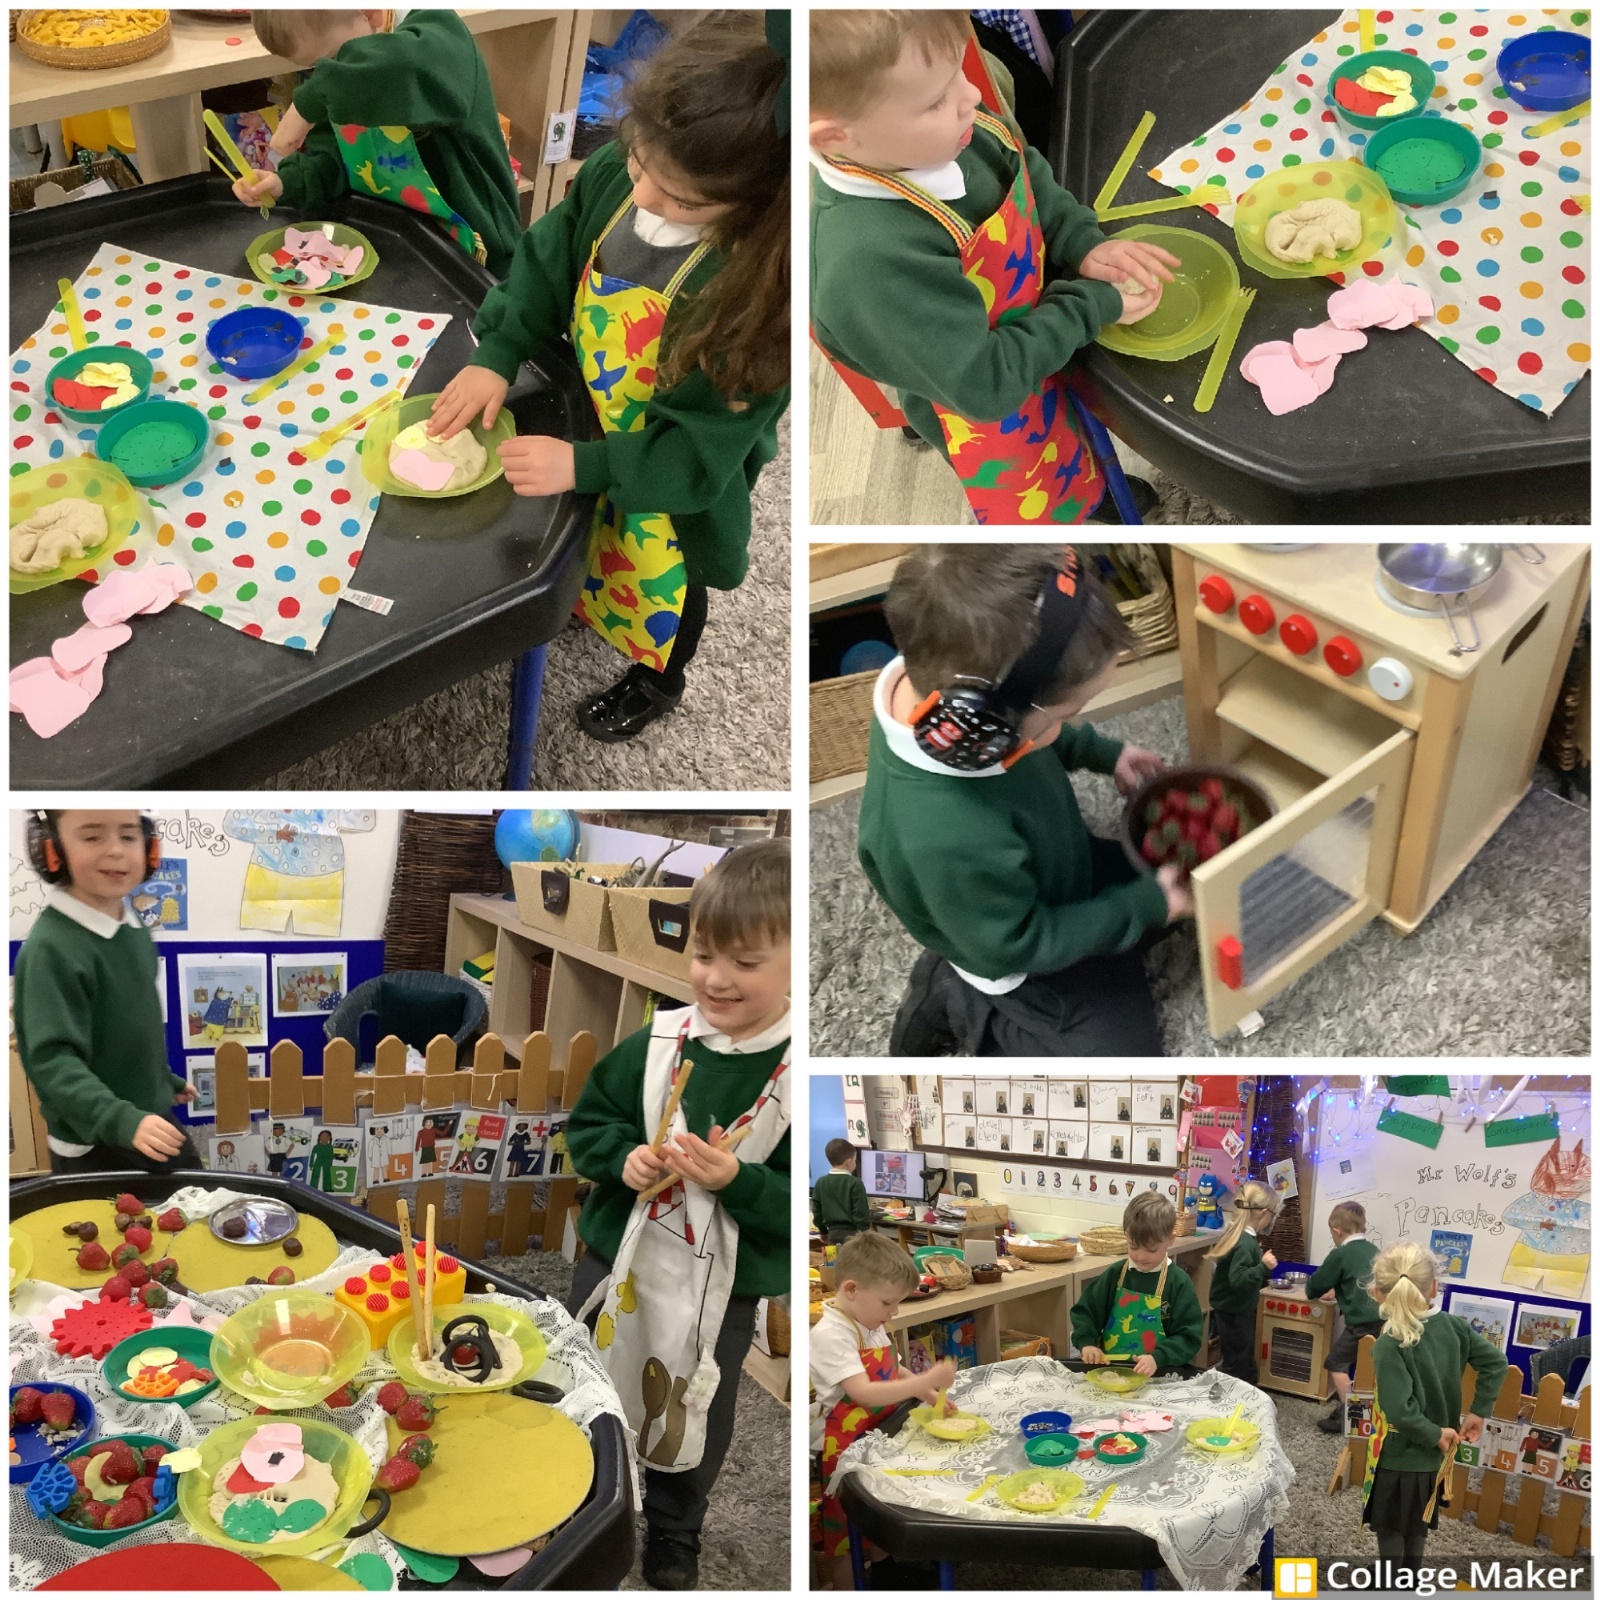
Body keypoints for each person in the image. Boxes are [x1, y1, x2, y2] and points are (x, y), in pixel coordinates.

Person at [427, 12, 790, 744]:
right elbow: (546, 259)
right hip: (597, 413)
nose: (646, 197)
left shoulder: (755, 305)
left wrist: (582, 465)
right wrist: (499, 351)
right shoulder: (615, 180)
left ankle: (661, 678)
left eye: (686, 200)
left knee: (671, 582)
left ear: (762, 207)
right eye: (638, 163)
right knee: (591, 539)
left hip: (677, 479)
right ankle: (590, 599)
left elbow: (695, 458)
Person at [810, 11, 1175, 525]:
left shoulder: (951, 130)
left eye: (960, 71)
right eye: (935, 101)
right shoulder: (868, 266)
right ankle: (1083, 506)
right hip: (992, 407)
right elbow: (985, 386)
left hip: (1038, 336)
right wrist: (1090, 305)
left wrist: (1079, 242)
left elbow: (1023, 169)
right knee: (1051, 496)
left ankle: (1091, 480)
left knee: (1079, 429)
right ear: (834, 137)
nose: (972, 96)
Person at [857, 545, 1187, 1058]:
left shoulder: (951, 687)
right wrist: (1143, 906)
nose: (1065, 726)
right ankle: (957, 993)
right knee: (1122, 1058)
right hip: (1012, 950)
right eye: (1064, 715)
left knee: (1186, 874)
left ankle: (984, 917)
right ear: (986, 726)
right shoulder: (947, 836)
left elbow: (1041, 733)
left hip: (1044, 867)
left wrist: (1103, 752)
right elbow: (1021, 942)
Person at [564, 840, 790, 1589]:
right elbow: (590, 1124)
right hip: (616, 1258)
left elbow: (796, 1207)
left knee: (694, 1413)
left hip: (719, 1292)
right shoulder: (657, 1043)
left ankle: (674, 1527)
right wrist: (622, 1158)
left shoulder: (799, 1070)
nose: (716, 978)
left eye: (745, 962)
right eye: (702, 955)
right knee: (590, 1383)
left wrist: (739, 1181)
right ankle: (587, 1501)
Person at [236, 11, 521, 275]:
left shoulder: (440, 37)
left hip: (478, 260)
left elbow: (404, 65)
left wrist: (309, 101)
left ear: (370, 13)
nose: (326, 74)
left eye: (335, 59)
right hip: (398, 249)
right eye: (315, 68)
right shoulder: (332, 79)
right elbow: (334, 160)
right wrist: (286, 182)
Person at [14, 811, 202, 1176]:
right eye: (92, 837)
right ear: (50, 849)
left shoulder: (131, 926)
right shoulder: (50, 948)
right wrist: (120, 1119)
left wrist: (162, 1080)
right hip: (96, 1141)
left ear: (149, 846)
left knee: (197, 1198)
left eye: (128, 836)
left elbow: (126, 1029)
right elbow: (53, 1062)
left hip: (145, 1120)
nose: (116, 851)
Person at [811, 1231, 957, 1590]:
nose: (894, 1312)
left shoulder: (869, 1321)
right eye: (888, 1303)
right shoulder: (832, 1334)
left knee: (881, 1510)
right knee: (846, 1532)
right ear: (851, 1289)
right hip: (842, 1449)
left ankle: (886, 1572)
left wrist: (927, 1391)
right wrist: (928, 1378)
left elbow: (893, 1369)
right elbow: (862, 1392)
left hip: (875, 1433)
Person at [1362, 1241, 1506, 1585]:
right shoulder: (1456, 1327)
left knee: (1392, 1527)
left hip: (1399, 1457)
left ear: (1378, 1293)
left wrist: (1433, 1434)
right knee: (1417, 1523)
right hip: (1433, 1459)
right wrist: (1478, 1412)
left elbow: (1400, 1410)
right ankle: (1410, 1580)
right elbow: (1497, 1363)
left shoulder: (1390, 1342)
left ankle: (1390, 1584)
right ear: (1434, 1288)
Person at [1071, 1192, 1202, 1373]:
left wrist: (1158, 1358)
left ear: (1170, 1240)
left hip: (1160, 1375)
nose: (1141, 1257)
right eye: (1133, 1246)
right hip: (1112, 1371)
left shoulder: (1178, 1283)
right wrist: (1087, 1343)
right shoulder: (1115, 1274)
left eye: (1151, 1249)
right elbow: (1086, 1312)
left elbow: (1189, 1337)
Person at [1309, 1201, 1384, 1433]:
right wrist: (1338, 1289)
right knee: (1366, 1368)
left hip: (1362, 1323)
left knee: (1336, 1364)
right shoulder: (1375, 1251)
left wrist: (1324, 1288)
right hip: (1383, 1319)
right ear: (1362, 1227)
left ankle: (1353, 1417)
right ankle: (1360, 1411)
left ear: (1336, 1231)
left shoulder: (1340, 1253)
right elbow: (1358, 1280)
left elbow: (1314, 1287)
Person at [1205, 1180, 1281, 1385]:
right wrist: (1263, 1266)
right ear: (1263, 1213)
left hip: (1232, 1309)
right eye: (1273, 1215)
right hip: (1234, 1312)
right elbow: (1238, 1280)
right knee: (1238, 1361)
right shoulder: (1245, 1242)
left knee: (1240, 1358)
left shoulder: (1238, 1234)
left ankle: (1248, 1392)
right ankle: (1238, 1396)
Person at [813, 1139, 873, 1246]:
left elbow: (817, 1212)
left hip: (832, 1235)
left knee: (835, 1257)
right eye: (855, 1160)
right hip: (853, 1236)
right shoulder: (855, 1183)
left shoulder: (820, 1182)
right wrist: (865, 1235)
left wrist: (823, 1231)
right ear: (848, 1162)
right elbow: (860, 1213)